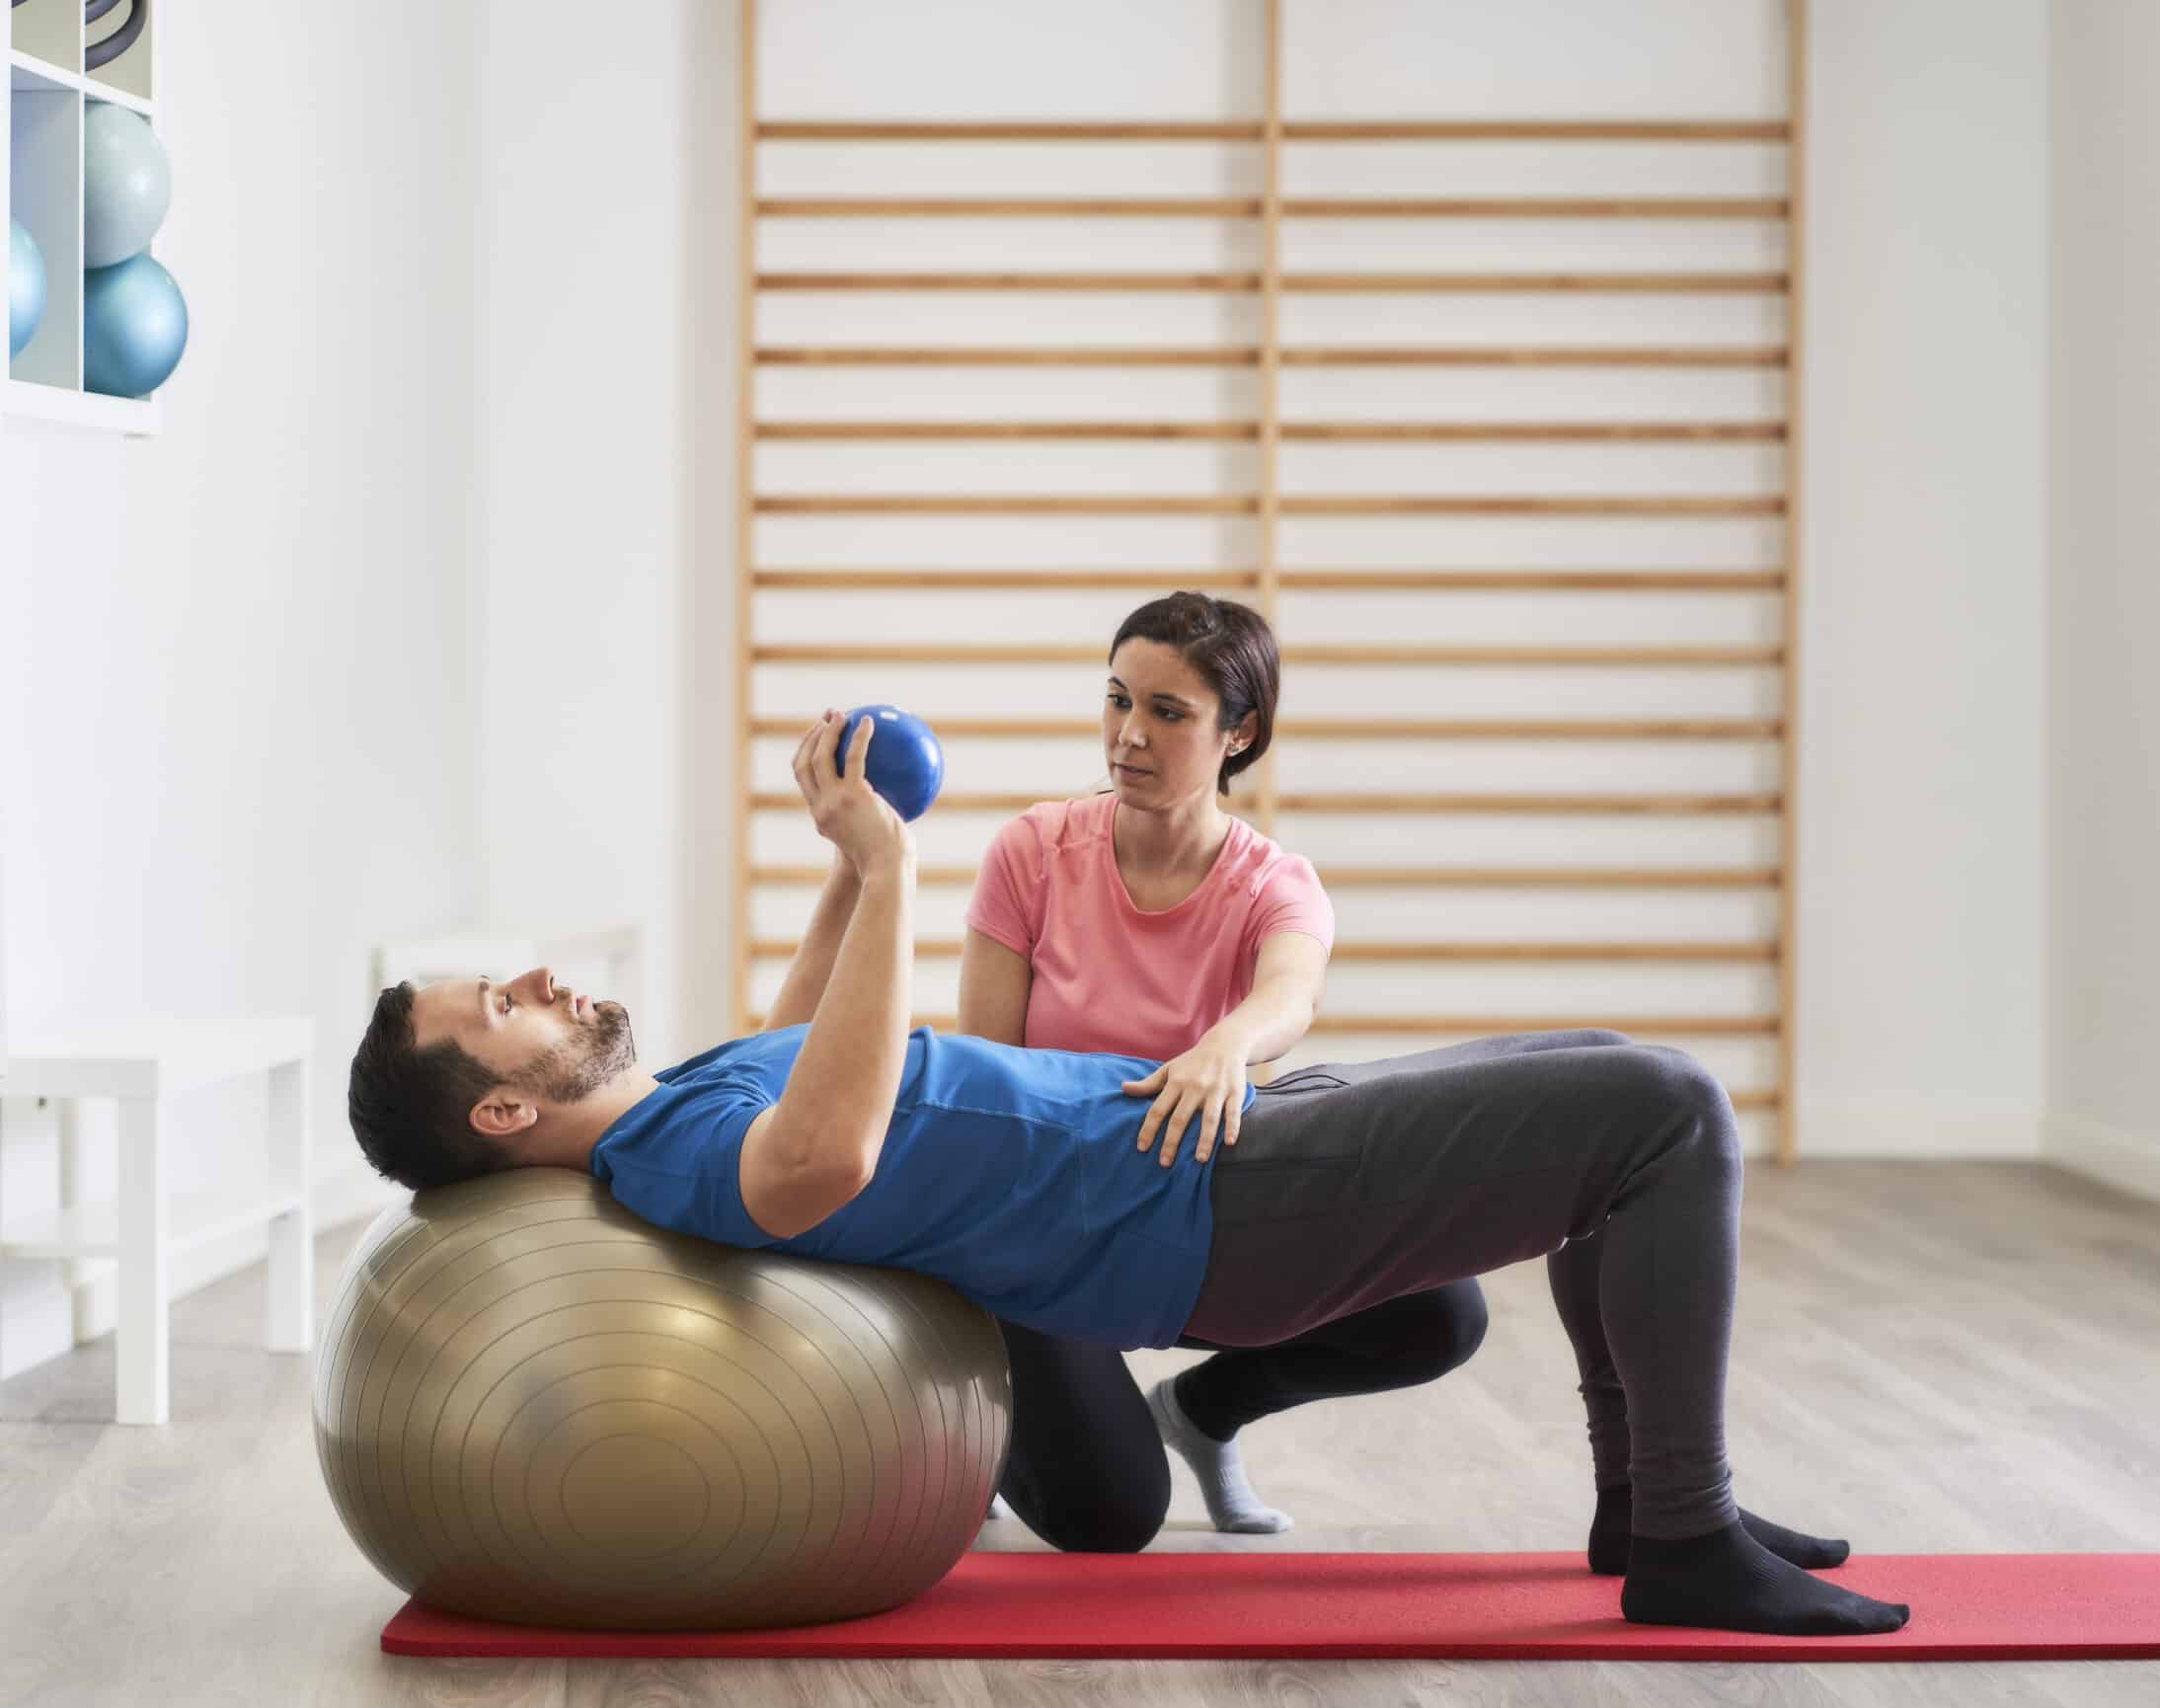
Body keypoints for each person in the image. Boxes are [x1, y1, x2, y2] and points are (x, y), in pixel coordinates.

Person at [344, 714, 1909, 1636]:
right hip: (1209, 1204)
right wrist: (895, 869)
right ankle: (1687, 1538)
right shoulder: (680, 1156)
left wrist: (840, 863)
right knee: (1664, 1105)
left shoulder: (677, 1100)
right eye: (501, 1007)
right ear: (495, 1117)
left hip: (1205, 1136)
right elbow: (824, 1150)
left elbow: (805, 1039)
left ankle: (1647, 1515)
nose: (536, 980)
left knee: (1606, 1072)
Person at [962, 591, 1487, 1546]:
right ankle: (992, 1414)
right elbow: (984, 1071)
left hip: (1187, 1220)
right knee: (1110, 1518)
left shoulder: (1274, 882)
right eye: (1118, 699)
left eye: (1169, 713)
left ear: (1239, 733)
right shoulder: (1032, 851)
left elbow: (1292, 991)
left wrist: (1226, 1044)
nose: (1129, 735)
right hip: (1045, 1226)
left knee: (1440, 1313)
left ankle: (1205, 1411)